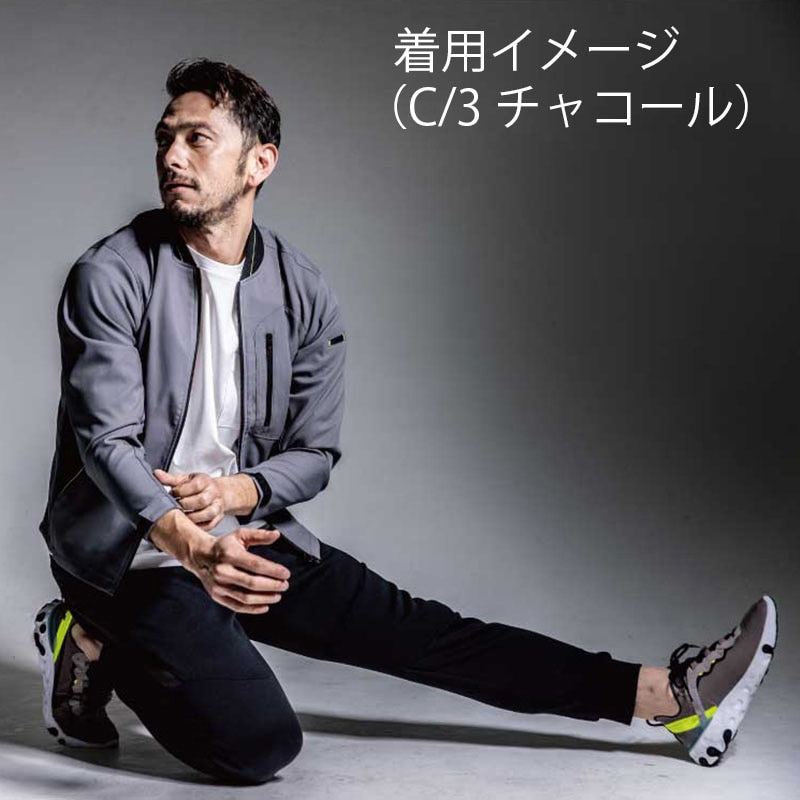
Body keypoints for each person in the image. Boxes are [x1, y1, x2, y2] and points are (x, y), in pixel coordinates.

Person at [33, 57, 778, 785]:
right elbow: (107, 442)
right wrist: (195, 550)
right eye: (165, 138)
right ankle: (88, 636)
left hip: (243, 535)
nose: (171, 156)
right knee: (257, 745)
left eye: (197, 138)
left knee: (421, 631)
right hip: (125, 557)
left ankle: (670, 697)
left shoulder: (301, 293)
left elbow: (314, 452)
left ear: (259, 162)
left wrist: (238, 494)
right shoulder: (112, 273)